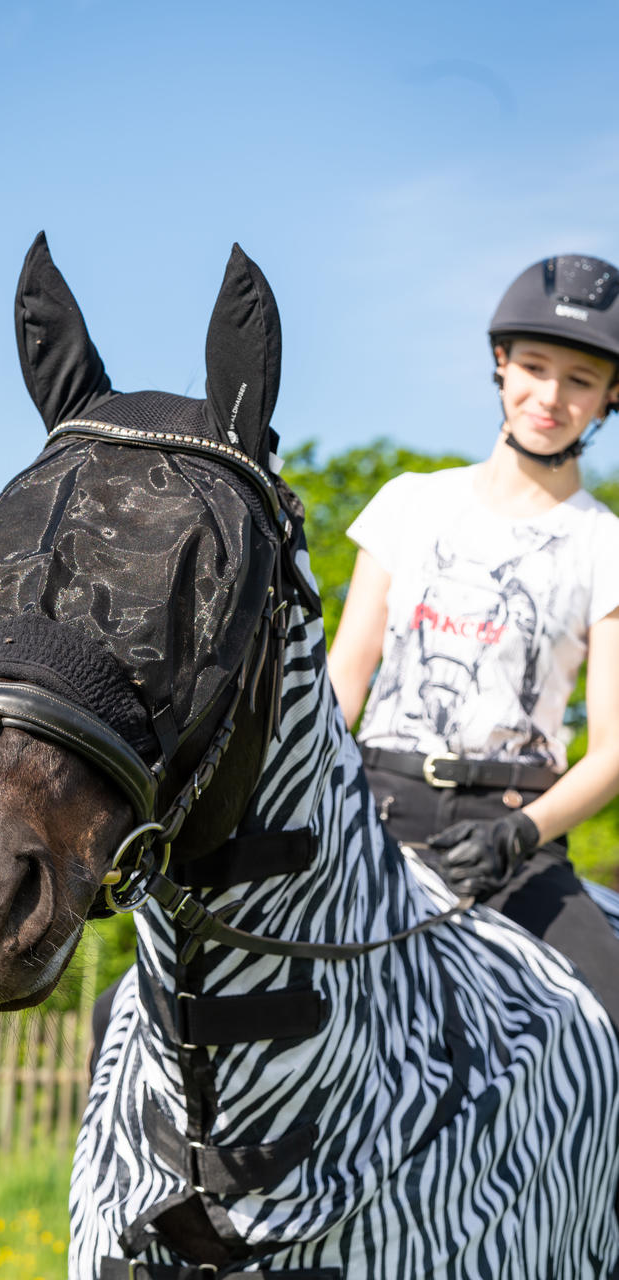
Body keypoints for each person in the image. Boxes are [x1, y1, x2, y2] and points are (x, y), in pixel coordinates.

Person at [327, 254, 619, 1033]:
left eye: (580, 380)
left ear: (609, 396)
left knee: (613, 1015)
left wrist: (519, 834)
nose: (550, 397)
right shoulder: (408, 504)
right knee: (158, 995)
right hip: (372, 810)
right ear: (501, 363)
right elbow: (344, 682)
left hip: (517, 829)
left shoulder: (605, 545)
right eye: (533, 367)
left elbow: (612, 752)